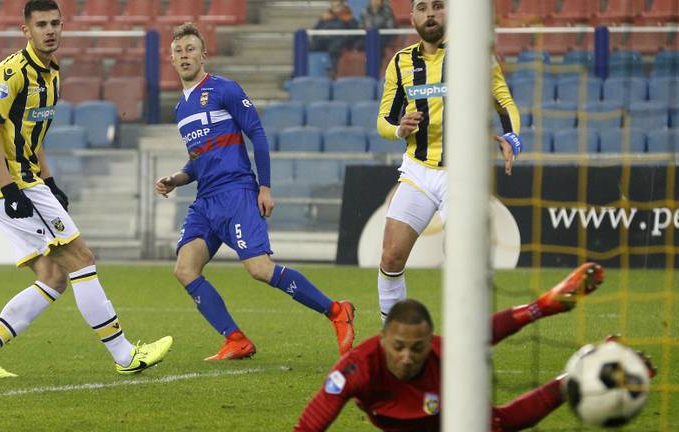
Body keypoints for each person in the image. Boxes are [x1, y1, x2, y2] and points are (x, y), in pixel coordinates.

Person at [0, 0, 173, 378]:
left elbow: (34, 132)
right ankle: (125, 355)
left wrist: (50, 179)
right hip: (14, 185)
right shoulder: (10, 71)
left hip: (32, 181)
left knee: (54, 277)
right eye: (41, 24)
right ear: (26, 29)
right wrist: (10, 190)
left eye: (55, 23)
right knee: (81, 259)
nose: (50, 30)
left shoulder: (53, 73)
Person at [155, 23, 355, 361]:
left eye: (190, 49)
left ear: (204, 55)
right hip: (205, 200)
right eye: (178, 51)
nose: (184, 56)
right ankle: (235, 340)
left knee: (260, 270)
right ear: (171, 60)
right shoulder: (180, 109)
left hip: (236, 192)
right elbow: (197, 160)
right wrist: (177, 178)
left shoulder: (224, 89)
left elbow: (257, 134)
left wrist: (265, 186)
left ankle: (336, 310)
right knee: (185, 269)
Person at [295, 263, 606, 431]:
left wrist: (542, 307)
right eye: (398, 346)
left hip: (447, 415)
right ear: (383, 339)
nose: (406, 357)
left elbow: (486, 332)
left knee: (499, 424)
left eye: (417, 348)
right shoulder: (356, 368)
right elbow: (309, 426)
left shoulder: (444, 355)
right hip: (399, 420)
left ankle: (576, 378)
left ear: (430, 342)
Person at [375, 0, 524, 322]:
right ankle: (391, 334)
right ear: (412, 17)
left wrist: (512, 138)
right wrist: (399, 129)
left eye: (438, 6)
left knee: (459, 259)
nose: (431, 13)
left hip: (462, 174)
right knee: (391, 256)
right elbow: (384, 121)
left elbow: (503, 101)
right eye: (422, 7)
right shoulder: (400, 63)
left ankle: (463, 344)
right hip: (418, 171)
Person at [311, 0, 360, 71]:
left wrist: (346, 39)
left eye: (337, 4)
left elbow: (354, 33)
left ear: (342, 5)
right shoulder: (325, 17)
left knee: (334, 48)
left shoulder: (348, 17)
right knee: (308, 46)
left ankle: (335, 71)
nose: (335, 6)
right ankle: (300, 71)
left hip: (339, 41)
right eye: (333, 4)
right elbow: (316, 31)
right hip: (324, 39)